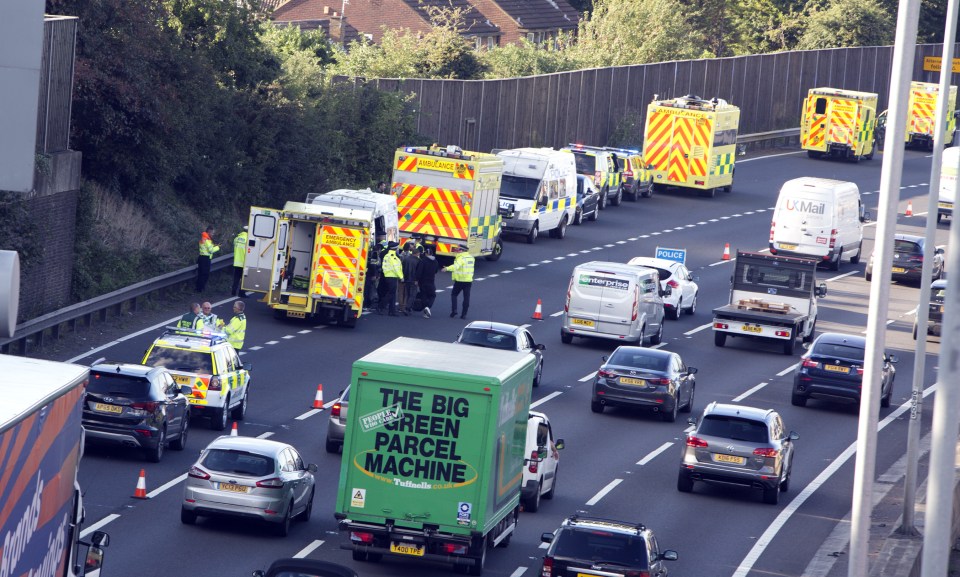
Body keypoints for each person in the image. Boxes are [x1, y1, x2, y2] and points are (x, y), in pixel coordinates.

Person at [443, 246, 474, 319]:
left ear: (462, 250)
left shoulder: (461, 258)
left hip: (460, 281)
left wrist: (447, 268)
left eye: (458, 249)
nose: (457, 250)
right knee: (466, 298)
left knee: (454, 295)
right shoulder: (471, 258)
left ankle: (454, 310)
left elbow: (456, 266)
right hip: (468, 281)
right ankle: (464, 314)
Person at [415, 245, 439, 318]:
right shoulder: (435, 262)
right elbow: (436, 271)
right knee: (432, 295)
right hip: (431, 281)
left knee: (424, 295)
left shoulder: (423, 261)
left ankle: (426, 307)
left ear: (426, 253)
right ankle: (428, 307)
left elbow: (419, 272)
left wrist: (416, 280)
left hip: (423, 282)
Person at [379, 241, 403, 316]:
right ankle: (380, 306)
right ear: (395, 249)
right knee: (390, 294)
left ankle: (392, 311)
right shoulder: (393, 256)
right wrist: (401, 277)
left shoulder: (387, 255)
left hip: (388, 276)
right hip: (392, 276)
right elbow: (396, 268)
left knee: (392, 294)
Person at [197, 226, 220, 292]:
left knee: (201, 274)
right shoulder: (207, 240)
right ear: (209, 232)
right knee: (205, 274)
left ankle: (199, 288)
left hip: (201, 257)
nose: (213, 234)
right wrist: (217, 247)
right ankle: (201, 289)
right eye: (212, 233)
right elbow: (211, 250)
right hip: (205, 259)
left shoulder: (203, 238)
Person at [399, 242, 419, 315]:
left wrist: (402, 276)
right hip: (413, 279)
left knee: (403, 292)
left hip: (404, 277)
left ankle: (402, 307)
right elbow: (418, 271)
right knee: (410, 294)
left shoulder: (404, 258)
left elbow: (402, 268)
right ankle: (406, 307)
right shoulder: (418, 261)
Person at [232, 226, 249, 297]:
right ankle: (241, 293)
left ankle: (233, 292)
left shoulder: (236, 238)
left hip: (236, 262)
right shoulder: (248, 239)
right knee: (244, 279)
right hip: (244, 262)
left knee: (236, 278)